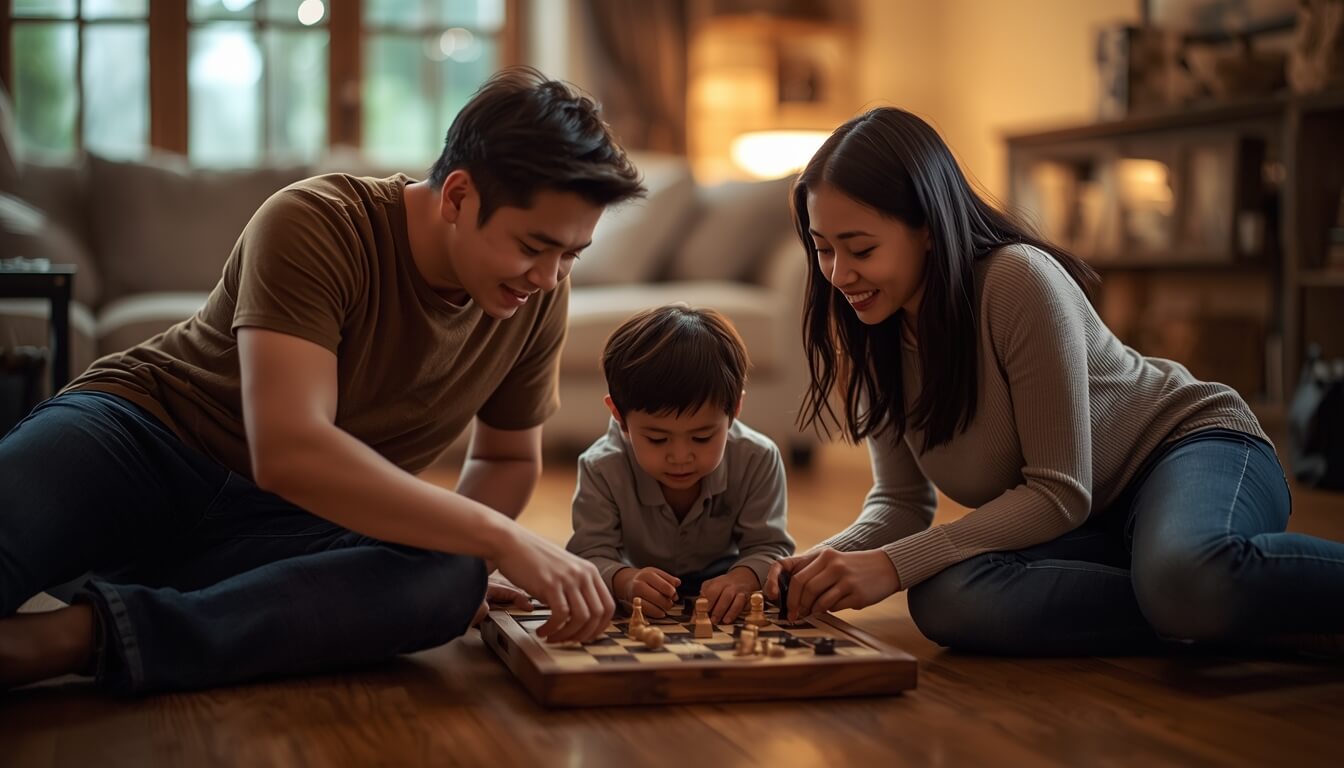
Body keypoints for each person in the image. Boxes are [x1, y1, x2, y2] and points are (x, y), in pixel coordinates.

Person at [0, 67, 643, 693]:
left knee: (450, 576)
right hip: (137, 444)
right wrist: (500, 537)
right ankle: (217, 614)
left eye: (570, 254)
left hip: (290, 529)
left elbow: (505, 456)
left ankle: (80, 639)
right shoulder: (317, 220)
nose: (550, 277)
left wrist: (467, 552)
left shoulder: (536, 299)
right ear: (457, 196)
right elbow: (290, 451)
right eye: (534, 246)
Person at [765, 106, 1344, 656]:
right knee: (946, 598)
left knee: (1186, 576)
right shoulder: (875, 331)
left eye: (860, 248)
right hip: (1098, 521)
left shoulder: (1018, 282)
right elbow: (900, 502)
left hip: (1190, 449)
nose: (839, 275)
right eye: (822, 250)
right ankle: (1208, 611)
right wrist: (817, 563)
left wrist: (891, 565)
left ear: (929, 228)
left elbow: (1059, 490)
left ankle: (1198, 597)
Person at [566, 305, 795, 624]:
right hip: (636, 577)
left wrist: (742, 579)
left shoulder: (757, 458)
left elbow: (770, 547)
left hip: (723, 573)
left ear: (735, 409)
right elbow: (589, 554)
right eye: (658, 439)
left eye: (702, 437)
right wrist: (625, 580)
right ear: (618, 415)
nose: (680, 456)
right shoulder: (602, 467)